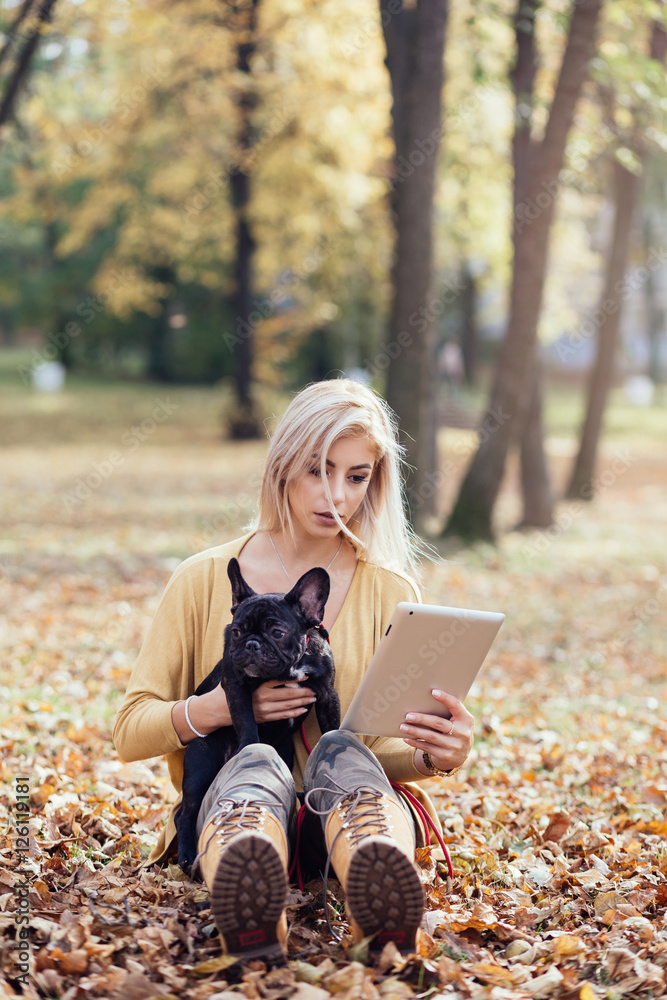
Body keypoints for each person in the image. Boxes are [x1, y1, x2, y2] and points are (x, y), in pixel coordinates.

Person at [113, 379, 474, 962]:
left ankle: (378, 907)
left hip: (344, 804)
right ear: (282, 467)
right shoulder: (205, 578)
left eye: (356, 476)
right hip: (231, 791)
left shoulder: (392, 591)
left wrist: (437, 755)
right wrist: (224, 709)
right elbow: (130, 730)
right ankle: (252, 903)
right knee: (250, 787)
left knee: (357, 782)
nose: (337, 495)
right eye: (317, 470)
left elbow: (375, 750)